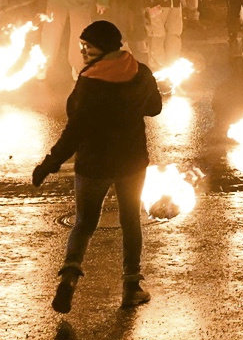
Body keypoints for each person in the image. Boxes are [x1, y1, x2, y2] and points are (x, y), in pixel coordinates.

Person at [31, 21, 163, 313]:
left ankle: (68, 278)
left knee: (84, 223)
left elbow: (75, 129)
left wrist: (50, 163)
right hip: (131, 161)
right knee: (131, 221)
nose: (83, 52)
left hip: (93, 162)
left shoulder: (90, 81)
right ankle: (131, 287)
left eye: (87, 46)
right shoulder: (141, 71)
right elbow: (155, 108)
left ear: (103, 46)